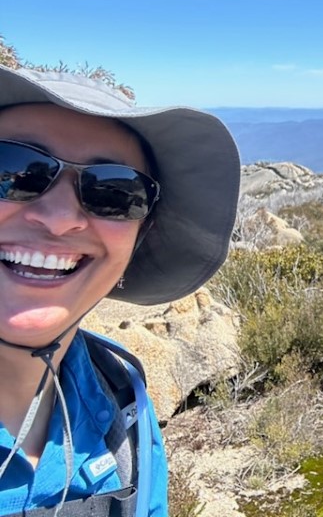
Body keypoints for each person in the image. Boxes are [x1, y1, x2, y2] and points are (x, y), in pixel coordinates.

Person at [0, 65, 240, 516]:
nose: (60, 218)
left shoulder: (122, 400)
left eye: (114, 191)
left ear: (139, 236)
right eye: (13, 170)